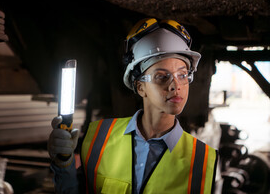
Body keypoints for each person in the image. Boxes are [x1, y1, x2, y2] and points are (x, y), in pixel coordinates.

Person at [48, 18, 218, 194]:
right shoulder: (100, 137)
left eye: (182, 75)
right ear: (140, 87)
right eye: (161, 76)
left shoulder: (202, 159)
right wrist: (64, 163)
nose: (176, 85)